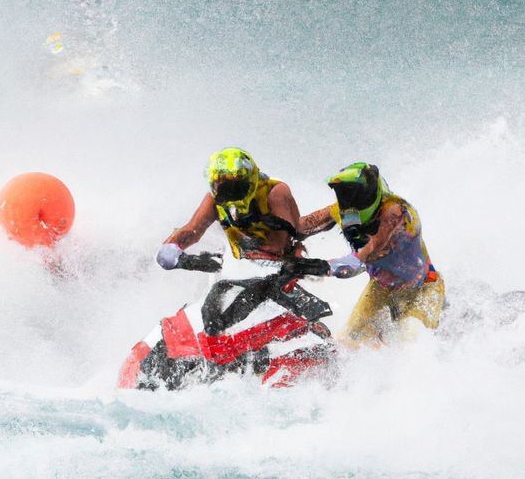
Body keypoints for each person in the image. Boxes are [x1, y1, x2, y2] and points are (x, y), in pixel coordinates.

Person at [299, 162, 445, 344]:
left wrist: (318, 267)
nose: (350, 203)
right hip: (380, 289)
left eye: (356, 195)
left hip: (422, 288)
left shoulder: (396, 212)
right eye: (345, 195)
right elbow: (301, 226)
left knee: (409, 342)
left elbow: (363, 257)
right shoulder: (343, 210)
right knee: (347, 344)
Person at [156, 147, 302, 269]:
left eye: (235, 185)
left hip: (287, 268)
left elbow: (281, 245)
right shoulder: (214, 199)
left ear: (250, 180)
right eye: (222, 185)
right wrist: (174, 252)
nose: (228, 192)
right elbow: (192, 231)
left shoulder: (275, 192)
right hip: (241, 267)